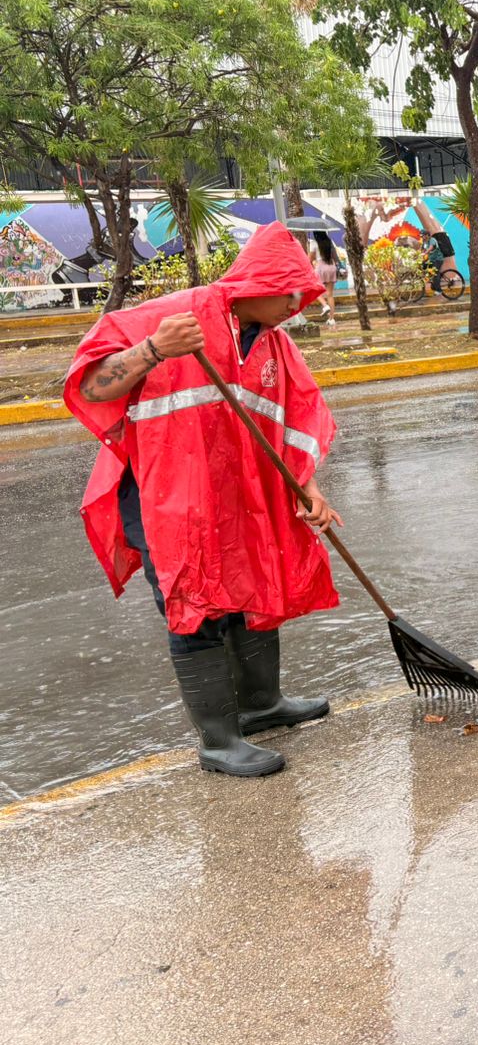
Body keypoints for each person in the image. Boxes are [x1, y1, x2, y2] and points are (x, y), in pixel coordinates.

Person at [64, 222, 342, 778]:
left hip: (237, 492)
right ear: (258, 284)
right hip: (163, 494)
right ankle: (218, 741)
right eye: (291, 291)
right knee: (196, 604)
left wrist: (307, 485)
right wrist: (152, 350)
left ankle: (261, 706)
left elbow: (294, 417)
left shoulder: (273, 343)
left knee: (253, 583)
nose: (298, 303)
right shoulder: (174, 316)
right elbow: (91, 386)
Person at [412, 198, 457, 300]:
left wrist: (425, 253)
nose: (422, 237)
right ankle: (433, 284)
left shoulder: (432, 240)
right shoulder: (425, 242)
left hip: (438, 259)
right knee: (423, 266)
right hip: (432, 258)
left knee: (435, 272)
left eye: (423, 235)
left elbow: (430, 248)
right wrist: (417, 255)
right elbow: (422, 250)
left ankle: (439, 290)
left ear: (427, 235)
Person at [310, 230, 340, 325]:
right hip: (331, 267)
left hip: (321, 268)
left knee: (314, 289)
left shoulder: (313, 243)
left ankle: (325, 305)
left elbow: (309, 259)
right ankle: (331, 319)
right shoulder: (329, 242)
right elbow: (335, 257)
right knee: (330, 294)